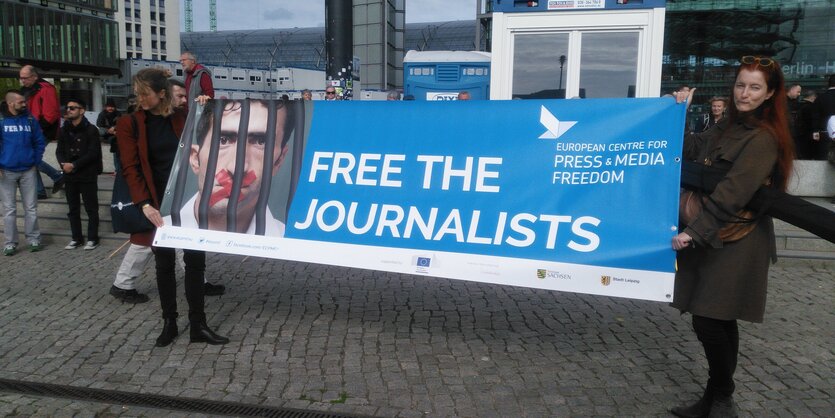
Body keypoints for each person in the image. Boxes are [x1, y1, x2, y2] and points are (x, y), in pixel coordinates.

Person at [671, 55, 794, 418]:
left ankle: (722, 398)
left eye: (755, 87)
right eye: (741, 85)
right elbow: (692, 152)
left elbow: (733, 193)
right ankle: (716, 397)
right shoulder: (727, 125)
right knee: (710, 317)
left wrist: (692, 232)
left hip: (738, 240)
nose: (745, 93)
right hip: (713, 233)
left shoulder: (764, 138)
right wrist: (680, 114)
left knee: (712, 316)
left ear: (770, 93)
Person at [116, 67, 228, 346]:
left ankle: (198, 324)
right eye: (138, 93)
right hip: (156, 204)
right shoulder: (130, 124)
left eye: (145, 93)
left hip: (187, 200)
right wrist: (143, 205)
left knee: (195, 264)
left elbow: (210, 140)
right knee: (163, 265)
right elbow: (131, 169)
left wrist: (207, 108)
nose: (139, 98)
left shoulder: (182, 118)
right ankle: (170, 322)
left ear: (161, 94)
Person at [165, 99, 292, 236]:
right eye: (223, 140)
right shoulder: (161, 231)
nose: (236, 168)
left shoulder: (292, 244)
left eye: (261, 142)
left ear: (278, 161)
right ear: (195, 159)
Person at [0, 90, 46, 256]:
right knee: (9, 210)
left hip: (28, 169)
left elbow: (39, 141)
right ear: (11, 103)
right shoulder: (1, 120)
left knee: (31, 207)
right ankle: (10, 243)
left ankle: (34, 239)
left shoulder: (29, 119)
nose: (24, 104)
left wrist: (35, 160)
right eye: (20, 102)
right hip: (6, 171)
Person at [56, 99, 102, 250]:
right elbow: (59, 151)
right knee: (73, 209)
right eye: (67, 107)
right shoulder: (64, 129)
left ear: (82, 110)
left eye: (73, 108)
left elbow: (93, 153)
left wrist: (75, 164)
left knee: (91, 208)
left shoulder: (91, 130)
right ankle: (76, 238)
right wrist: (64, 164)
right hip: (70, 175)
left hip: (87, 174)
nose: (69, 110)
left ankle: (93, 238)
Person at [19, 65, 64, 198]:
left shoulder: (46, 89)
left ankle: (55, 177)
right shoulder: (27, 89)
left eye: (25, 78)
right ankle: (40, 190)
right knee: (28, 158)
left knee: (30, 157)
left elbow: (50, 115)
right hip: (32, 129)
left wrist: (35, 130)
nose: (22, 81)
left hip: (42, 130)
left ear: (34, 76)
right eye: (21, 78)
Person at [97, 98, 122, 173]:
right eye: (109, 106)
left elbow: (122, 123)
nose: (110, 108)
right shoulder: (102, 114)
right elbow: (99, 126)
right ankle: (117, 170)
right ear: (106, 107)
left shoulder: (118, 114)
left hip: (116, 134)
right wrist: (109, 130)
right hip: (105, 135)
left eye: (112, 107)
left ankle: (118, 169)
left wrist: (114, 127)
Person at [794, 89, 818, 159]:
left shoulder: (798, 105)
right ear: (812, 97)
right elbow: (812, 122)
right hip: (808, 135)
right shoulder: (811, 107)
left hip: (797, 134)